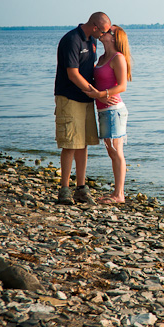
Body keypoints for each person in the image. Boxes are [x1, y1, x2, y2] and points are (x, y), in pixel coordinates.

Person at [54, 12, 110, 205]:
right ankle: (64, 190)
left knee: (83, 143)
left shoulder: (91, 41)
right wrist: (93, 91)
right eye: (103, 32)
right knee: (70, 143)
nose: (104, 36)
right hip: (69, 97)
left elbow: (90, 69)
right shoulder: (72, 39)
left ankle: (81, 188)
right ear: (95, 27)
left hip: (86, 99)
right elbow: (72, 74)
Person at [93, 25, 133, 204]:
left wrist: (102, 95)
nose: (104, 32)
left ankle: (119, 195)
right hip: (103, 110)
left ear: (114, 38)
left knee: (117, 152)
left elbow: (122, 86)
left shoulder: (118, 58)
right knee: (111, 152)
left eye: (109, 31)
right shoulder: (102, 57)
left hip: (114, 110)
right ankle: (117, 192)